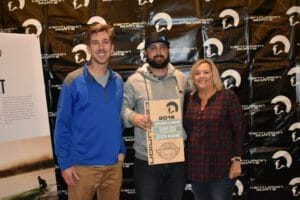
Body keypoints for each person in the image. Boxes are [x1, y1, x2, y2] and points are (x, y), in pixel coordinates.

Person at [54, 23, 125, 200]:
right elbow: (62, 126)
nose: (101, 48)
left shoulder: (118, 81)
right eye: (95, 43)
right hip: (81, 169)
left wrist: (121, 150)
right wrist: (65, 163)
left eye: (105, 42)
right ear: (88, 48)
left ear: (112, 47)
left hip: (113, 167)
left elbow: (117, 119)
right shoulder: (73, 81)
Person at [122, 31, 189, 200]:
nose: (158, 52)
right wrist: (134, 118)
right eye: (153, 48)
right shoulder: (134, 81)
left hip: (176, 158)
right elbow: (122, 110)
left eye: (162, 48)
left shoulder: (181, 78)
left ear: (168, 50)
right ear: (146, 53)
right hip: (146, 160)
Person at [183, 58, 245, 200]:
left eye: (206, 72)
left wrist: (236, 161)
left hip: (222, 168)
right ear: (193, 77)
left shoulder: (227, 97)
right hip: (196, 167)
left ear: (213, 75)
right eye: (197, 73)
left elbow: (239, 130)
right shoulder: (189, 99)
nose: (201, 76)